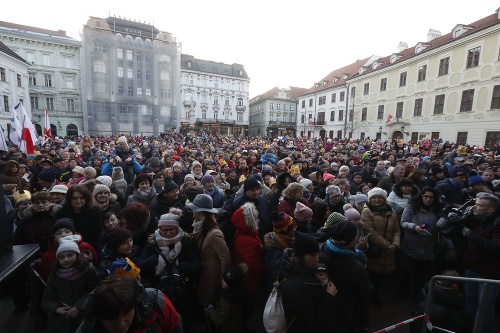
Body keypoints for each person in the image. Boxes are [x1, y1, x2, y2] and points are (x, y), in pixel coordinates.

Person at [138, 207, 201, 332]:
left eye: (171, 230)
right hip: (160, 290)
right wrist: (158, 257)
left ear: (177, 228)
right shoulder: (153, 243)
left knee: (185, 318)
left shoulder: (185, 242)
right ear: (159, 230)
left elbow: (197, 266)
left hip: (184, 290)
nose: (167, 234)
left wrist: (177, 264)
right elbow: (139, 266)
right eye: (164, 230)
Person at [76, 276, 182, 333]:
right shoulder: (88, 327)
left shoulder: (156, 302)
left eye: (126, 312)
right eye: (113, 318)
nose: (122, 324)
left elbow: (174, 326)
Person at [278, 232, 336, 333]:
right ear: (300, 257)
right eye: (312, 255)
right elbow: (312, 325)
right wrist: (329, 296)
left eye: (317, 253)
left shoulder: (297, 268)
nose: (317, 259)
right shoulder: (297, 287)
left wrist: (315, 274)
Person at [319, 221, 371, 333]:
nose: (359, 236)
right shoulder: (356, 268)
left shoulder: (321, 249)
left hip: (324, 309)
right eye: (356, 234)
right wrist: (364, 324)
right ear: (348, 241)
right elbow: (364, 298)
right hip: (345, 312)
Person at [461, 192, 500, 333]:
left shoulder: (497, 223)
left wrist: (473, 236)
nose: (474, 207)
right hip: (472, 268)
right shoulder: (480, 218)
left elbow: (497, 247)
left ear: (490, 210)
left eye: (478, 205)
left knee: (484, 308)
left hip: (488, 273)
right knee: (470, 301)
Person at [41, 238, 97, 333]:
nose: (66, 260)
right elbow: (47, 299)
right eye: (61, 257)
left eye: (70, 255)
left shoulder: (89, 270)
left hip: (84, 318)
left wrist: (78, 306)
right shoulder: (55, 274)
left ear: (77, 254)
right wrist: (57, 308)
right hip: (61, 322)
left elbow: (94, 291)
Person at [187, 194, 231, 307]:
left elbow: (225, 256)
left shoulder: (214, 233)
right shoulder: (199, 225)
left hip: (212, 272)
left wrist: (223, 277)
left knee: (209, 300)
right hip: (205, 268)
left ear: (200, 210)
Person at [398, 186, 442, 298]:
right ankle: (402, 291)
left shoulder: (438, 210)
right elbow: (403, 222)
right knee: (406, 272)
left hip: (427, 246)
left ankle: (418, 295)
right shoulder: (412, 206)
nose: (428, 199)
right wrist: (414, 227)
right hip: (411, 244)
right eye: (426, 196)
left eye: (431, 197)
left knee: (422, 275)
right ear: (421, 196)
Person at [361, 187, 400, 308]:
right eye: (374, 198)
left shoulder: (391, 211)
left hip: (389, 249)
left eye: (380, 197)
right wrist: (387, 245)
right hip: (376, 250)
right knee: (373, 276)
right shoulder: (366, 211)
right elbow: (370, 232)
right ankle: (372, 297)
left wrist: (395, 244)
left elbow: (397, 231)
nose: (377, 200)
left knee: (381, 276)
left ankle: (376, 294)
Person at [56, 185, 102, 251]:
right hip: (68, 249)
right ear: (69, 199)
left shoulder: (94, 211)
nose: (78, 201)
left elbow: (97, 233)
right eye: (75, 198)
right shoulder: (61, 213)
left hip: (90, 248)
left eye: (82, 198)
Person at [205, 264, 247, 333]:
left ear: (232, 285)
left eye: (225, 281)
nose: (222, 281)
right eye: (223, 279)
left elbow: (220, 320)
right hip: (237, 324)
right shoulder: (240, 290)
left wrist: (211, 312)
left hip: (228, 328)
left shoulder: (225, 302)